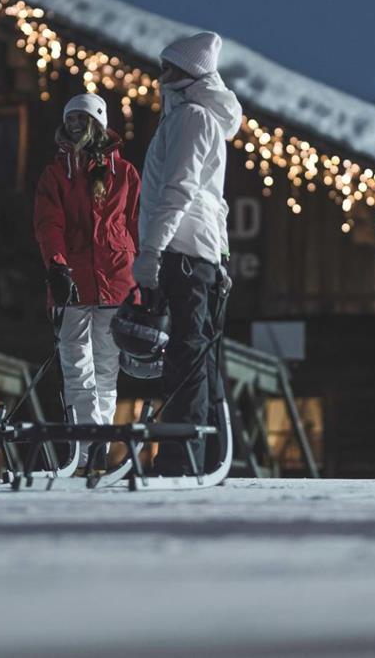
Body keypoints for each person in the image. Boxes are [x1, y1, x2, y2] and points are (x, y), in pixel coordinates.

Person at [134, 31, 241, 475]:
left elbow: (178, 190)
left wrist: (151, 250)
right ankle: (208, 453)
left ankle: (182, 456)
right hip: (196, 251)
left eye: (167, 67)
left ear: (185, 73)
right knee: (194, 352)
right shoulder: (191, 115)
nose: (159, 76)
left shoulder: (192, 118)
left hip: (182, 250)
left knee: (185, 353)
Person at [33, 92, 141, 469]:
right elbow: (50, 224)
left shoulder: (123, 173)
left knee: (106, 367)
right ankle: (88, 443)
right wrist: (57, 266)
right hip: (72, 283)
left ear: (97, 123)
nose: (75, 125)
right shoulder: (55, 174)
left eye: (82, 119)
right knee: (77, 366)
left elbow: (135, 226)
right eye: (71, 119)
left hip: (116, 279)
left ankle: (97, 443)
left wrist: (142, 281)